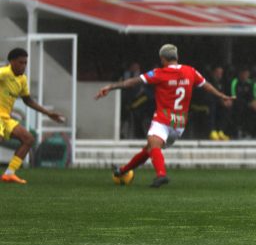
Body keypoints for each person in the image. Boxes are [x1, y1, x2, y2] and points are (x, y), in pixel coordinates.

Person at [97, 44, 232, 188]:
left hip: (164, 118)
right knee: (150, 149)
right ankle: (122, 170)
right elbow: (206, 85)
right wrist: (221, 95)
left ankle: (161, 175)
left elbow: (132, 82)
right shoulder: (190, 71)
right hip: (179, 123)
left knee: (153, 144)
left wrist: (110, 87)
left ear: (162, 59)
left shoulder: (159, 73)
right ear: (177, 57)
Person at [1, 47, 67, 184]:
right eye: (21, 62)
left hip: (5, 118)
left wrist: (48, 113)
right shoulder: (4, 73)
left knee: (28, 139)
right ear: (11, 62)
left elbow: (28, 100)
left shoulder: (22, 80)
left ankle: (9, 173)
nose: (23, 66)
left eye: (25, 63)